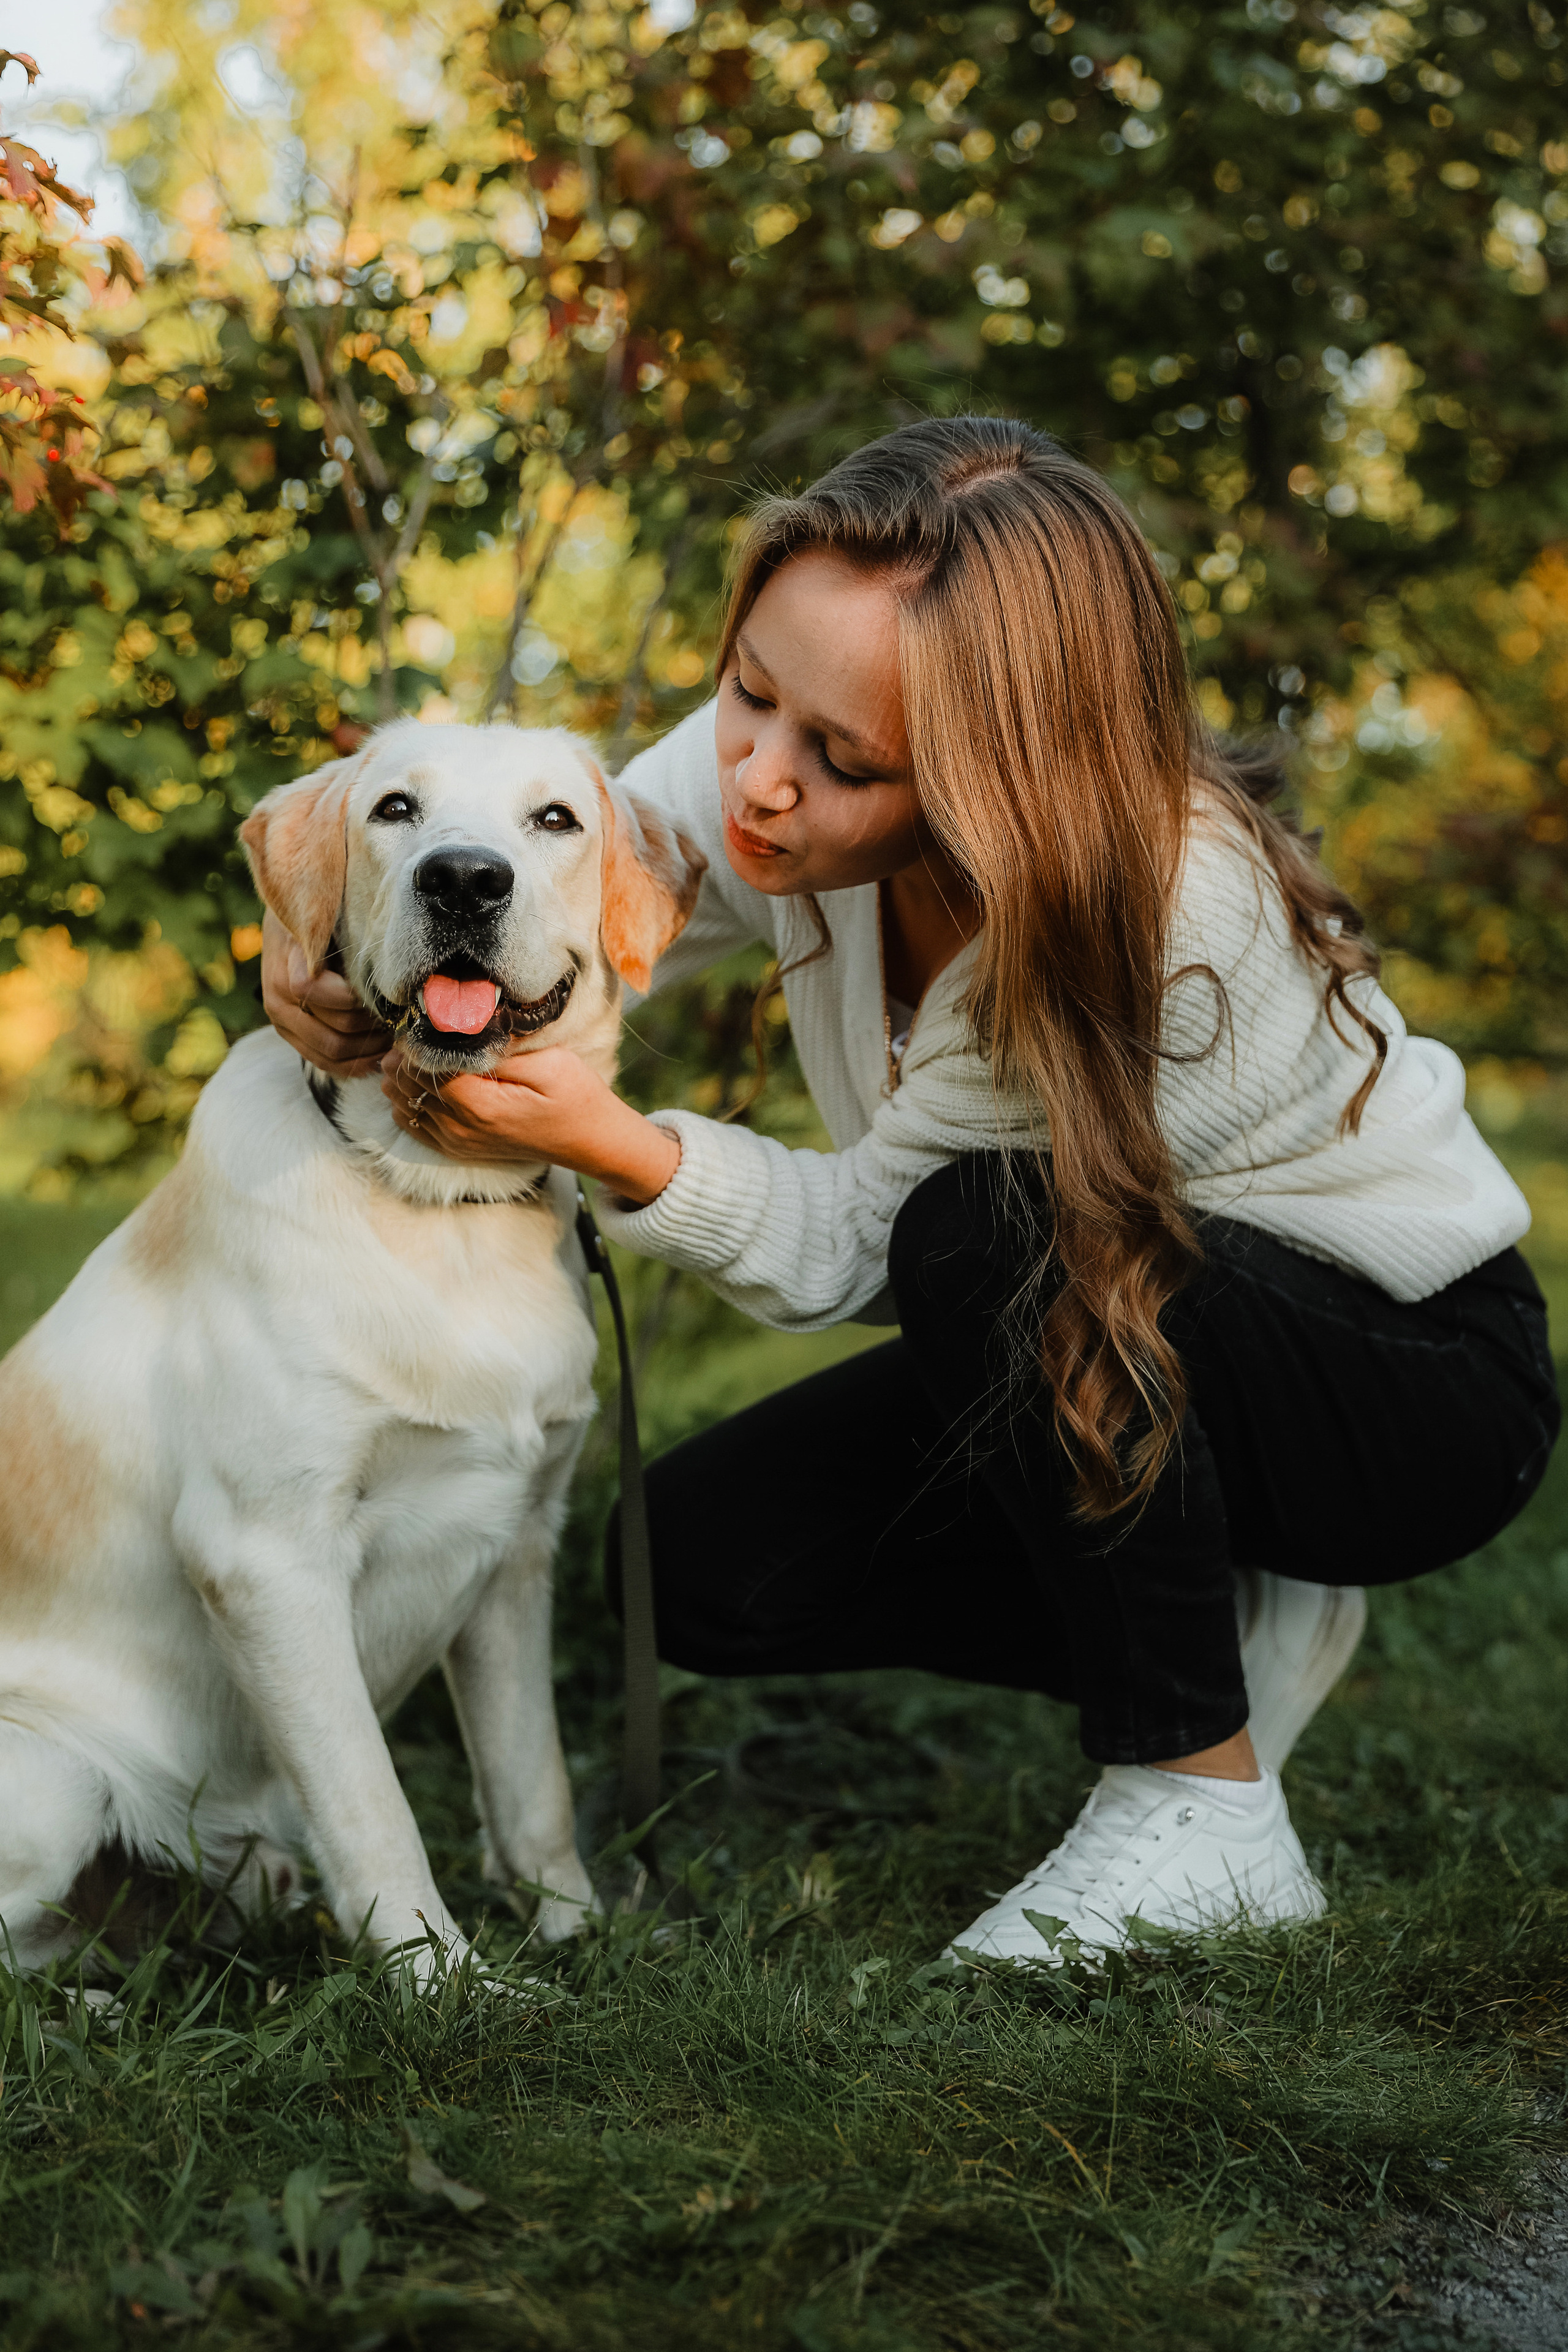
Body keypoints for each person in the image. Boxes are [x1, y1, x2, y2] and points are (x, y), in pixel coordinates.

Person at [263, 417, 1558, 1966]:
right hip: (1118, 1314)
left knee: (978, 1226)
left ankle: (1200, 1803)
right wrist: (333, 943)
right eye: (748, 690)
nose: (753, 783)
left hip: (1397, 1375)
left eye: (843, 759)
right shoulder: (773, 764)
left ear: (997, 780)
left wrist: (609, 1140)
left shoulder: (1156, 904)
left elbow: (868, 1250)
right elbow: (562, 852)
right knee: (693, 1568)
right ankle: (1210, 1598)